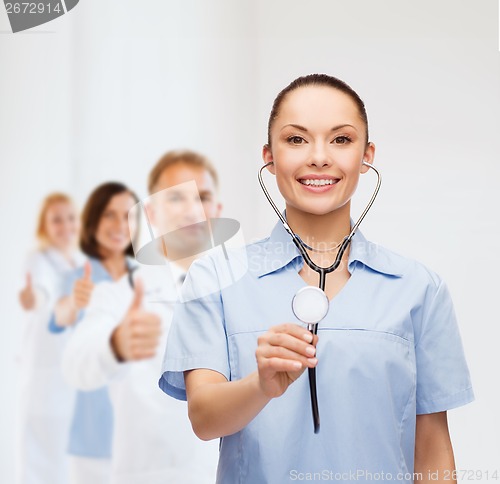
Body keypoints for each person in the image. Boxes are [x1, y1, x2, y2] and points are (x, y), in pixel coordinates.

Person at [159, 75, 474, 483]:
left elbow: (431, 450)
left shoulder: (419, 288)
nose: (319, 157)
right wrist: (261, 385)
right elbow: (203, 418)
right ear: (269, 157)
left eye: (341, 140)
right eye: (296, 140)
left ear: (367, 155)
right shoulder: (214, 278)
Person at [62, 150, 221, 484]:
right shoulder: (122, 292)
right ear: (151, 212)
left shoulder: (241, 292)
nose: (192, 209)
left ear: (217, 211)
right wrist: (115, 345)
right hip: (149, 474)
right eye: (176, 197)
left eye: (203, 197)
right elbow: (77, 365)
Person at [49, 182, 139, 484]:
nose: (118, 225)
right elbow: (58, 317)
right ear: (93, 221)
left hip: (139, 427)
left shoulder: (145, 277)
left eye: (127, 216)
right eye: (108, 215)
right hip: (93, 433)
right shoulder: (79, 278)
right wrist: (73, 303)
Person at [16, 192, 83, 484]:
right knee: (39, 461)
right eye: (56, 220)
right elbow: (39, 293)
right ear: (44, 226)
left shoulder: (79, 262)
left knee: (63, 462)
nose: (65, 225)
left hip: (69, 376)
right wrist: (32, 298)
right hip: (44, 378)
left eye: (70, 218)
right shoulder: (38, 259)